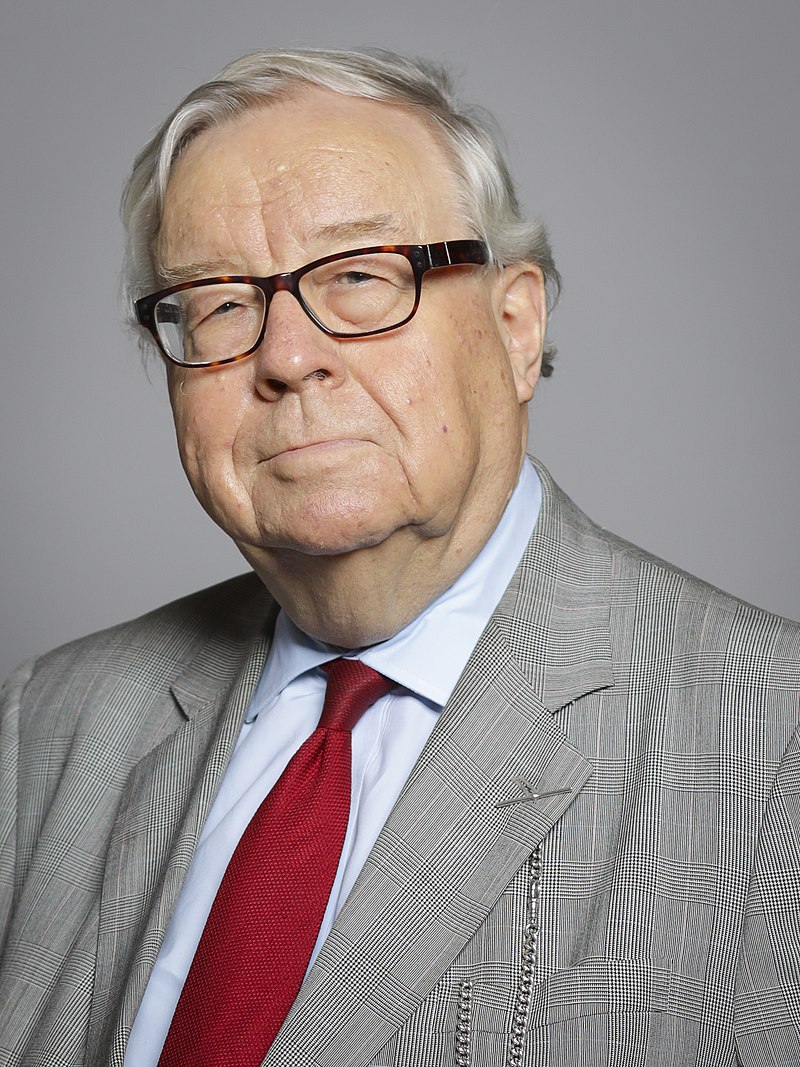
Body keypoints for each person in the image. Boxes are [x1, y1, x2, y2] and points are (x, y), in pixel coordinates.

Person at [0, 46, 798, 1067]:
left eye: (359, 277)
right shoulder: (47, 725)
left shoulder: (770, 741)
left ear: (514, 325)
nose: (286, 357)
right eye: (220, 302)